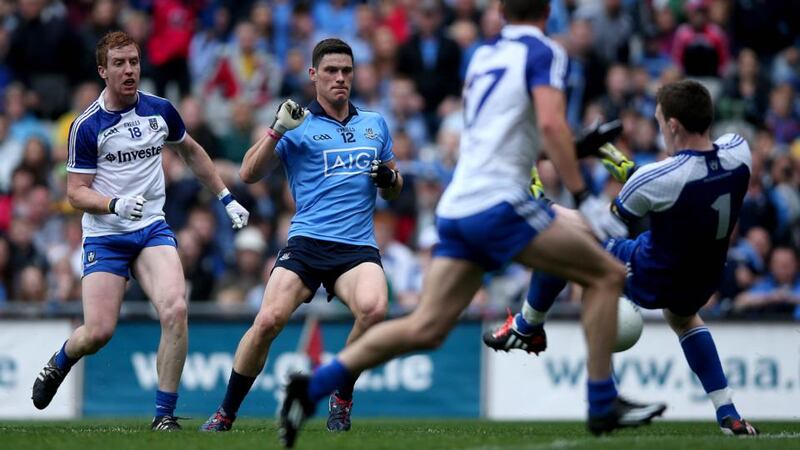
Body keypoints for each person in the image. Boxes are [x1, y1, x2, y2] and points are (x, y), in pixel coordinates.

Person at [277, 2, 666, 447]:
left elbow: (506, 133)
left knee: (426, 327)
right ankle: (600, 401)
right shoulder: (546, 53)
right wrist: (583, 195)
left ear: (501, 11)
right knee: (606, 273)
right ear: (548, 12)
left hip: (459, 205)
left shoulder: (483, 55)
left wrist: (576, 148)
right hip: (500, 202)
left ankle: (308, 390)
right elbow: (550, 123)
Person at [484, 80, 759, 436]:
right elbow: (678, 187)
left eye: (660, 120)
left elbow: (600, 228)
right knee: (684, 318)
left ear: (673, 125)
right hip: (704, 275)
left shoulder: (655, 178)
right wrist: (617, 161)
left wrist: (544, 206)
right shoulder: (739, 150)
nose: (659, 126)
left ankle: (527, 327)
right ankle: (729, 414)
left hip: (653, 271)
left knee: (563, 246)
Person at [31, 31, 250, 431]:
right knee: (98, 333)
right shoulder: (87, 126)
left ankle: (163, 416)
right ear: (103, 71)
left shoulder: (160, 110)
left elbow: (192, 152)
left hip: (151, 228)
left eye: (133, 61)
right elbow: (75, 193)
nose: (129, 69)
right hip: (105, 236)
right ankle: (59, 361)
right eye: (119, 63)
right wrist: (113, 204)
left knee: (176, 309)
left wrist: (225, 196)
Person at [200, 38, 403, 433]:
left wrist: (390, 180)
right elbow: (247, 173)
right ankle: (225, 412)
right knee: (268, 320)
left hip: (358, 247)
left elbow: (395, 186)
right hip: (308, 243)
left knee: (375, 310)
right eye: (331, 71)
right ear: (314, 75)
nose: (340, 78)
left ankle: (340, 399)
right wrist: (276, 130)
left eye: (346, 71)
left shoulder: (374, 123)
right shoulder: (297, 122)